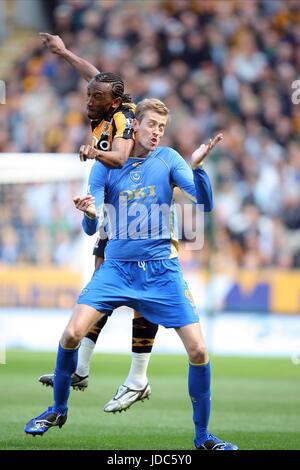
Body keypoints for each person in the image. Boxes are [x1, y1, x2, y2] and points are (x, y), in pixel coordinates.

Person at [25, 97, 238, 450]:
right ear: (134, 125)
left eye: (162, 128)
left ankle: (203, 438)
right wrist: (91, 213)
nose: (157, 133)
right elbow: (91, 227)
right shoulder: (106, 166)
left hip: (162, 272)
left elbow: (205, 204)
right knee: (71, 333)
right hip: (117, 269)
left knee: (199, 351)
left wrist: (199, 168)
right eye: (152, 125)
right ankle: (57, 409)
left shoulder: (169, 159)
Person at [38, 33, 158, 412]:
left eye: (96, 98)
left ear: (115, 102)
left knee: (144, 298)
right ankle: (83, 369)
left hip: (145, 205)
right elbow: (95, 75)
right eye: (90, 96)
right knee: (99, 292)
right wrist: (64, 51)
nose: (89, 101)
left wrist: (94, 150)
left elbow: (121, 157)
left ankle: (137, 376)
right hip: (120, 211)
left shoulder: (122, 119)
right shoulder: (111, 103)